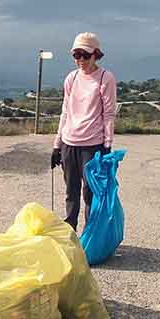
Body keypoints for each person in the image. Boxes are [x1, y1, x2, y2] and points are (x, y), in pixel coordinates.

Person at [50, 32, 117, 231]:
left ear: (96, 54)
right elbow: (65, 111)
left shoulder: (106, 78)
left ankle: (90, 234)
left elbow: (109, 114)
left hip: (92, 145)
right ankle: (70, 231)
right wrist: (56, 145)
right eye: (76, 55)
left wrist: (107, 146)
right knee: (71, 191)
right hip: (69, 143)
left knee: (90, 192)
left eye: (85, 55)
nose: (80, 60)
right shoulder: (71, 78)